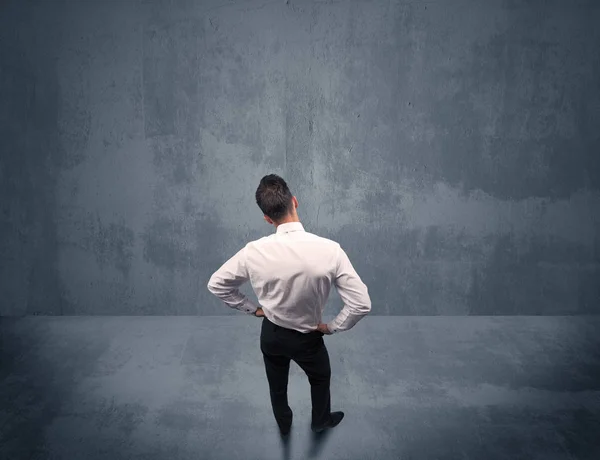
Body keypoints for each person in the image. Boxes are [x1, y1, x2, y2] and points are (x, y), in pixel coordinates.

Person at [207, 174, 371, 436]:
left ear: (267, 219)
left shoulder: (253, 251)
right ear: (295, 201)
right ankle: (320, 421)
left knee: (277, 386)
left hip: (271, 333)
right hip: (309, 337)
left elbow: (217, 284)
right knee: (320, 379)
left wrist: (254, 309)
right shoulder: (331, 250)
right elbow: (361, 304)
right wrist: (331, 327)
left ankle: (284, 425)